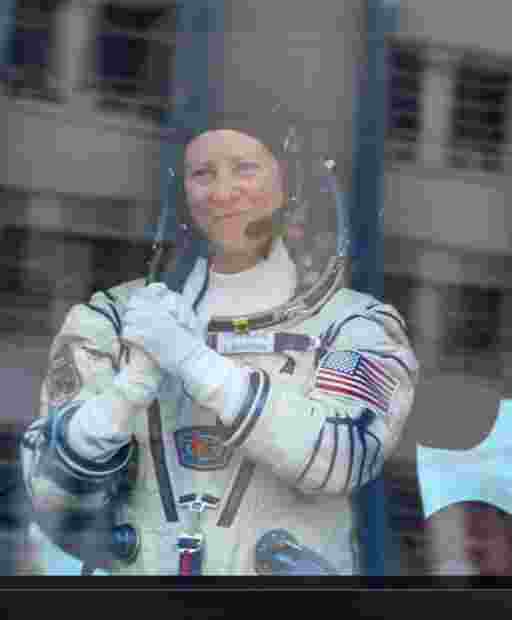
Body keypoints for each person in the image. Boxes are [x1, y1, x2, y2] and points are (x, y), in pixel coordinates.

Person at [18, 104, 419, 575]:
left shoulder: (355, 325)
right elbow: (49, 492)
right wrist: (125, 395)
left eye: (244, 169)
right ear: (181, 190)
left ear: (289, 183)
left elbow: (342, 456)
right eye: (202, 173)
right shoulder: (112, 319)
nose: (223, 192)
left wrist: (192, 362)